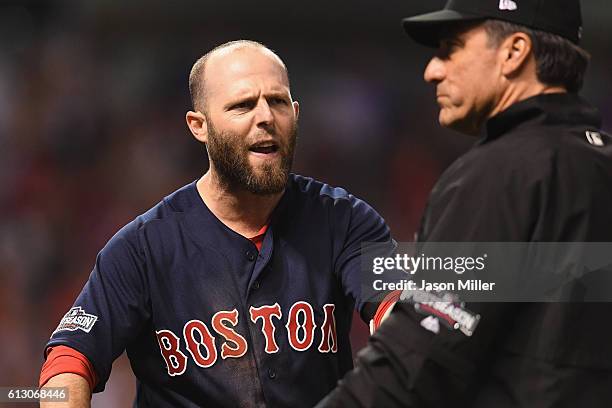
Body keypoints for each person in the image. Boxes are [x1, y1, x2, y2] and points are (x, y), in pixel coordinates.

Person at [39, 40, 394, 407]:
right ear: (199, 125)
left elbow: (402, 312)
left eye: (278, 101)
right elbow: (69, 359)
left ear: (296, 113)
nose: (266, 117)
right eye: (243, 105)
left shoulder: (345, 219)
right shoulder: (142, 248)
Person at [317, 0, 612, 406]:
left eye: (451, 48)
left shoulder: (502, 173)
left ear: (514, 52)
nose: (432, 70)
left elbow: (415, 364)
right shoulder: (595, 163)